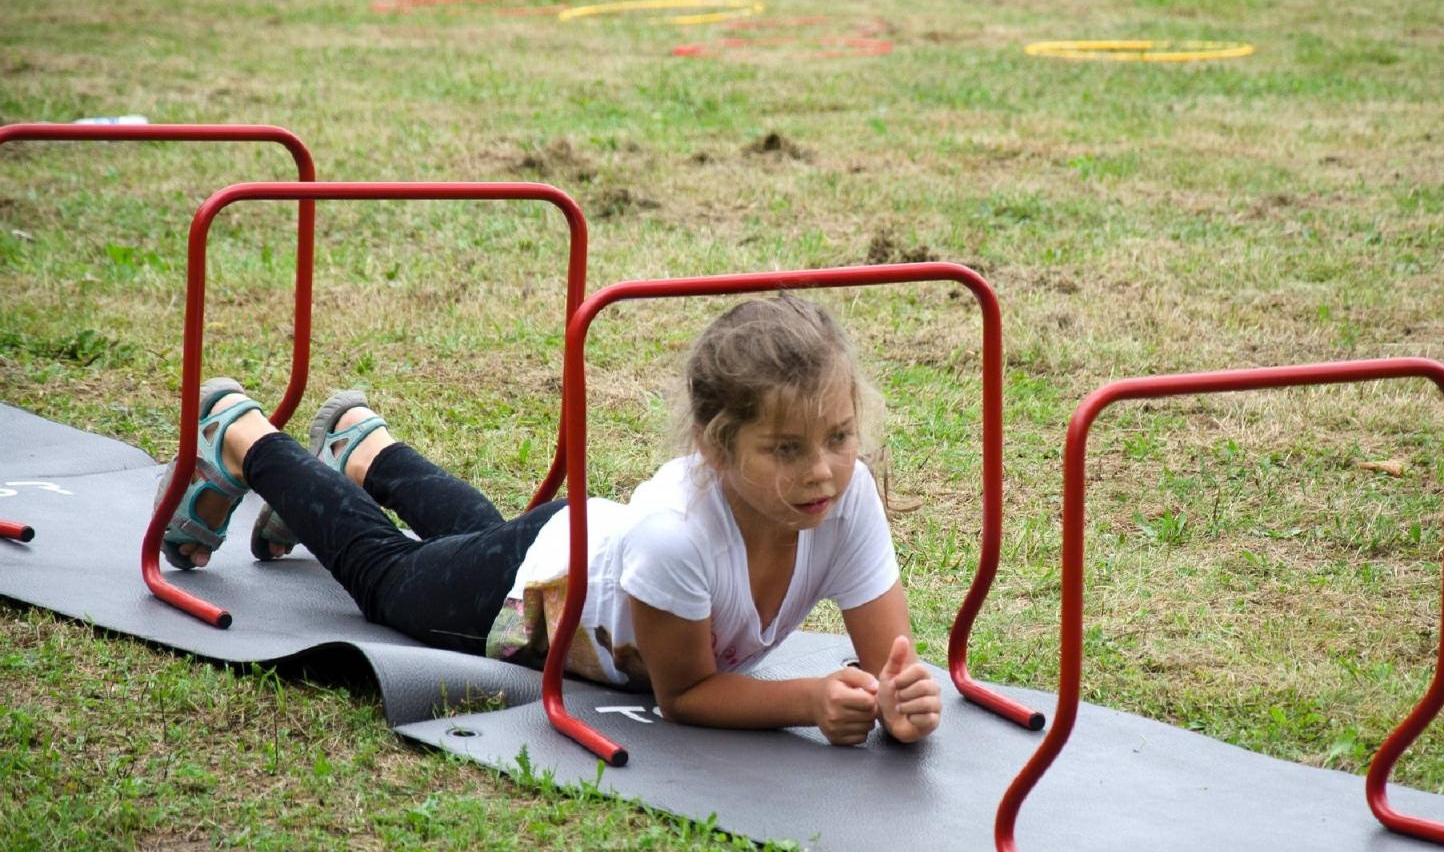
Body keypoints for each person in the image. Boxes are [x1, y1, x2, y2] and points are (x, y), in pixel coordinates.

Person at [156, 296, 941, 746]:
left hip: (568, 546)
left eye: (839, 438)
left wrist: (902, 704)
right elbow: (688, 694)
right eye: (787, 448)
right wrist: (809, 700)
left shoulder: (847, 498)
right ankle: (241, 434)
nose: (823, 470)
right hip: (532, 600)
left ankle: (365, 452)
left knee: (480, 534)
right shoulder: (680, 534)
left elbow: (890, 664)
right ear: (717, 446)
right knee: (388, 578)